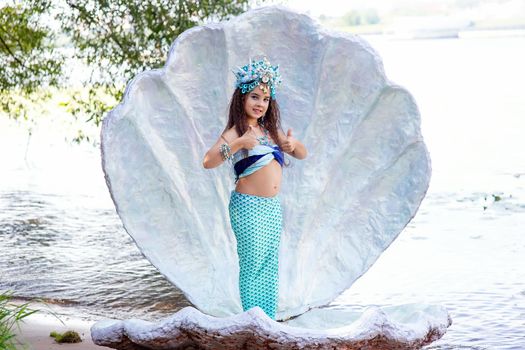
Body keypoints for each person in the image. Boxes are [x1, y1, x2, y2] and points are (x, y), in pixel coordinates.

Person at [202, 57, 307, 320]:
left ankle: (268, 320)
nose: (260, 104)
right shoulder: (234, 131)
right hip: (248, 206)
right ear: (242, 99)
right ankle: (252, 320)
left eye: (266, 99)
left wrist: (293, 146)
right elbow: (208, 161)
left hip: (272, 207)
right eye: (255, 97)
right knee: (253, 264)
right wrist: (238, 143)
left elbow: (302, 154)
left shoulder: (270, 131)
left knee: (270, 265)